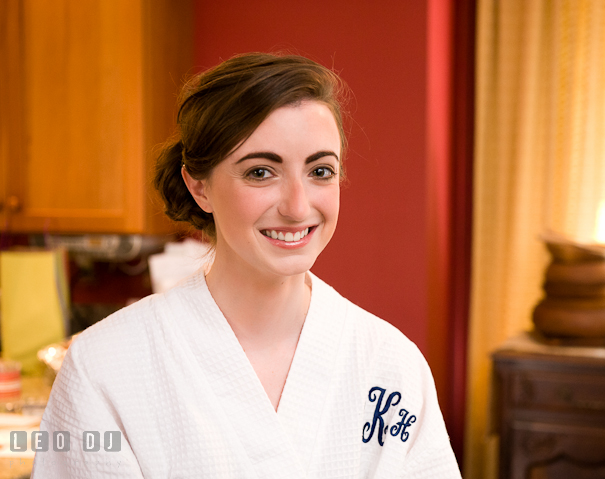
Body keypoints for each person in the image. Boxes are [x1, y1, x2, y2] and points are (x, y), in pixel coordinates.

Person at [33, 53, 461, 478]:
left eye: (321, 171)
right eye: (260, 172)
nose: (297, 207)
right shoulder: (105, 367)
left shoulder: (391, 363)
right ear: (199, 187)